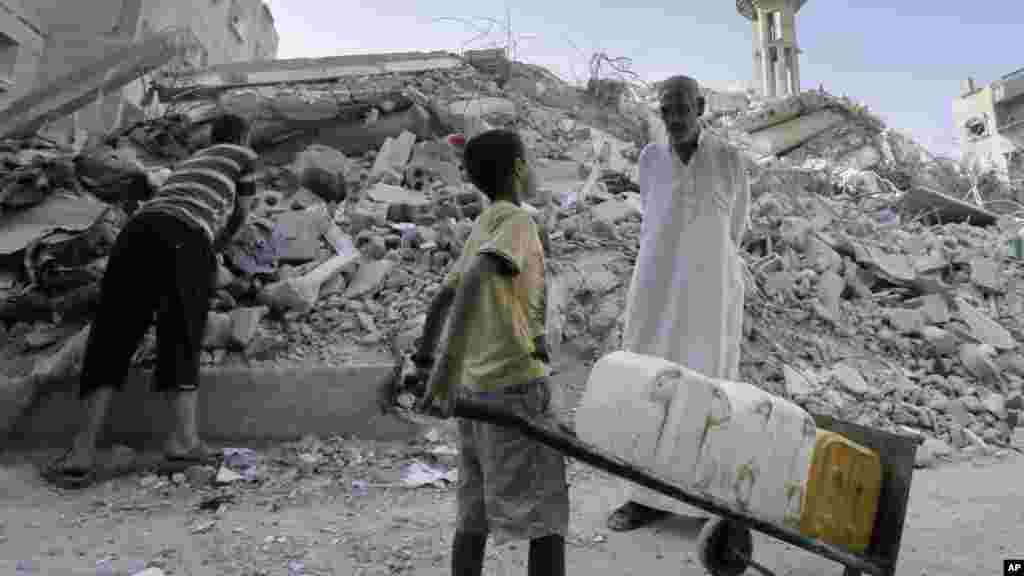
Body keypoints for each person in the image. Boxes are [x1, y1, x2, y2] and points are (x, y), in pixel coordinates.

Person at [46, 114, 259, 489]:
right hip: (183, 236)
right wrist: (219, 243)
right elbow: (242, 212)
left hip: (135, 236)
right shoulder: (243, 155)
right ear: (243, 136)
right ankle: (182, 442)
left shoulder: (187, 164)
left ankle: (80, 453)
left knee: (112, 335)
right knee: (181, 330)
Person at [413, 129, 568, 576]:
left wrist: (425, 360)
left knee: (474, 510)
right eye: (532, 158)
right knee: (546, 515)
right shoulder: (518, 222)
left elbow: (446, 295)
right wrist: (443, 373)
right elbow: (478, 277)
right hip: (515, 387)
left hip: (476, 393)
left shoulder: (484, 223)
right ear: (520, 168)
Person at [606, 75, 751, 532]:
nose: (673, 118)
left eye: (682, 108)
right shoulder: (649, 160)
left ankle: (703, 501)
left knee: (707, 390)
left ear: (701, 106)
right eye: (666, 109)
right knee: (650, 387)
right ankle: (645, 497)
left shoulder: (729, 160)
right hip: (655, 293)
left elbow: (736, 231)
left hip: (710, 296)